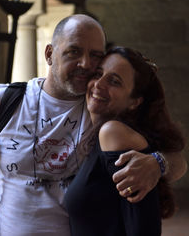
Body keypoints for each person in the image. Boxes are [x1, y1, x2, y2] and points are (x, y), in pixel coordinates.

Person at [0, 15, 187, 235]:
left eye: (95, 55)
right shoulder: (3, 102)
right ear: (49, 54)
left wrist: (157, 163)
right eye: (74, 51)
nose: (85, 64)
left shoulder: (101, 108)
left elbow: (177, 162)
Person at [64, 46, 186, 236]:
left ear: (134, 101)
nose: (98, 84)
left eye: (114, 81)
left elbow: (143, 228)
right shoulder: (99, 132)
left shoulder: (113, 134)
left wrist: (161, 162)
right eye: (98, 74)